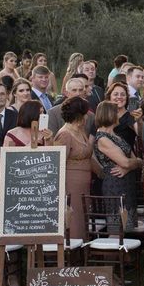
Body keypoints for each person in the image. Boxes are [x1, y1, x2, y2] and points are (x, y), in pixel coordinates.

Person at [94, 101, 144, 231]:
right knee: (117, 229)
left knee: (129, 228)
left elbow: (136, 161)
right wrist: (133, 163)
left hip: (127, 184)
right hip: (115, 185)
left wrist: (130, 166)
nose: (119, 115)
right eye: (116, 112)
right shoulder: (102, 138)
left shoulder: (117, 136)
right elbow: (127, 162)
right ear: (109, 114)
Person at [54, 97, 95, 241]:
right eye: (85, 112)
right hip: (71, 185)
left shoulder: (81, 130)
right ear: (78, 115)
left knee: (83, 220)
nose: (87, 115)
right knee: (75, 221)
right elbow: (58, 164)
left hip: (84, 185)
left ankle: (82, 251)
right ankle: (72, 253)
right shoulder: (65, 134)